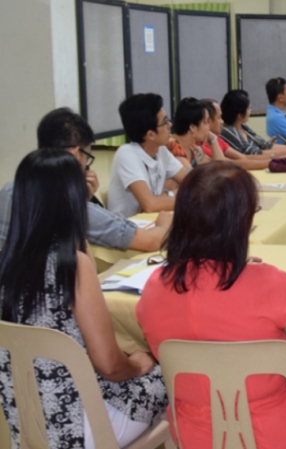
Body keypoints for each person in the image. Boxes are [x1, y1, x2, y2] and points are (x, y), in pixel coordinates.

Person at [136, 162, 286, 449]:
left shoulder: (155, 285)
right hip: (273, 431)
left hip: (196, 433)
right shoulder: (268, 283)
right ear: (241, 222)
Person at [0, 148, 168, 448]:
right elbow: (109, 366)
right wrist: (139, 365)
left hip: (24, 423)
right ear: (72, 202)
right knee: (167, 374)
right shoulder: (70, 267)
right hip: (83, 428)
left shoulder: (8, 262)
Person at [0, 108, 171, 252]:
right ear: (74, 154)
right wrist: (164, 225)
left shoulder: (8, 191)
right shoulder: (68, 204)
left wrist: (82, 198)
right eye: (87, 157)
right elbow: (150, 242)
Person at [108, 93, 188, 218]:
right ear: (150, 135)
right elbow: (151, 205)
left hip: (149, 223)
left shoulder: (161, 151)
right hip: (126, 230)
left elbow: (192, 181)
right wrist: (179, 196)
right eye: (165, 122)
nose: (170, 125)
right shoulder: (126, 154)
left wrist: (166, 197)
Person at [219, 89, 286, 158]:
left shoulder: (243, 127)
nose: (251, 111)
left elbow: (265, 145)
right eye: (249, 108)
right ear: (240, 115)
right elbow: (253, 153)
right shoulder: (228, 131)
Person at [199, 98, 275, 170]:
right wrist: (273, 162)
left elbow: (244, 157)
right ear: (208, 121)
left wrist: (277, 159)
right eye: (219, 118)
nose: (222, 122)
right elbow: (226, 164)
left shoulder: (217, 139)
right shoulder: (201, 144)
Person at [166, 97, 225, 169]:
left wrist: (212, 139)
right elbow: (190, 179)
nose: (208, 128)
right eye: (206, 122)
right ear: (193, 127)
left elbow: (220, 167)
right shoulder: (172, 146)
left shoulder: (194, 149)